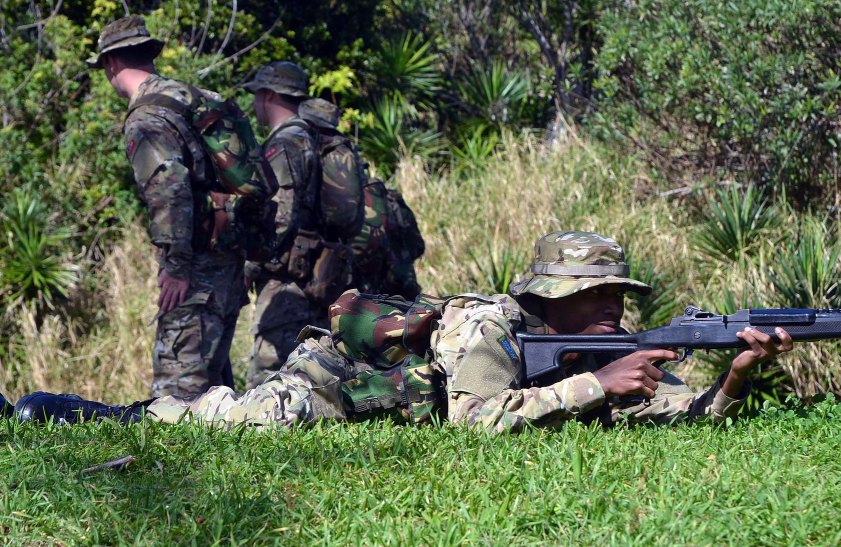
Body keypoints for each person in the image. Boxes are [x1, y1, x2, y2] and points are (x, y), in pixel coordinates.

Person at [12, 231, 794, 432]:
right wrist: (596, 385)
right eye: (595, 295)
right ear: (551, 300)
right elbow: (476, 420)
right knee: (208, 421)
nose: (612, 307)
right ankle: (62, 413)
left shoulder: (603, 343)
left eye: (617, 293)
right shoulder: (489, 326)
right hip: (332, 393)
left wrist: (735, 378)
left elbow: (679, 413)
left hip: (384, 405)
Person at [89, 16, 245, 398]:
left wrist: (176, 267)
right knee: (215, 391)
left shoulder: (146, 117)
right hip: (229, 256)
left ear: (111, 62)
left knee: (177, 397)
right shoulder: (194, 97)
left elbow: (169, 190)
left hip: (194, 266)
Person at [236, 61, 328, 389]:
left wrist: (248, 265)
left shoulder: (285, 143)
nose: (254, 103)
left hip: (285, 282)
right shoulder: (311, 137)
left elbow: (280, 215)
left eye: (257, 95)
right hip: (312, 275)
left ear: (270, 95)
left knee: (270, 380)